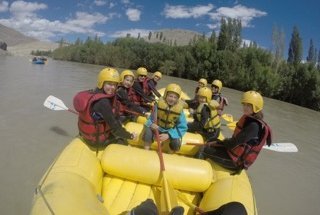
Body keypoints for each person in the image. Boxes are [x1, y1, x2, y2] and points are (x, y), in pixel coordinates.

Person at [202, 91, 272, 172]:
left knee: (204, 149)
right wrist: (218, 142)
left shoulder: (254, 126)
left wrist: (219, 143)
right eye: (244, 104)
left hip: (235, 162)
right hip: (231, 153)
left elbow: (233, 143)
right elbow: (234, 142)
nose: (245, 107)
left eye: (248, 105)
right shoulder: (249, 119)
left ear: (256, 107)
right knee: (211, 141)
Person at [73, 67, 137, 147]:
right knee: (122, 140)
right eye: (109, 84)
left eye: (115, 85)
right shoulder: (103, 102)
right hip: (96, 141)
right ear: (102, 83)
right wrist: (130, 136)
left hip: (84, 134)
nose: (112, 88)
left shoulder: (94, 93)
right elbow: (116, 129)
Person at [143, 83, 188, 152]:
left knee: (176, 143)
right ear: (165, 96)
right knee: (148, 132)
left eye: (175, 97)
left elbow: (183, 127)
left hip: (169, 131)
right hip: (157, 127)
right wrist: (151, 124)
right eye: (170, 96)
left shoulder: (179, 111)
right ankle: (146, 151)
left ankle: (170, 154)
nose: (172, 99)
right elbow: (151, 118)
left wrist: (169, 135)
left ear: (177, 99)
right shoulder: (158, 105)